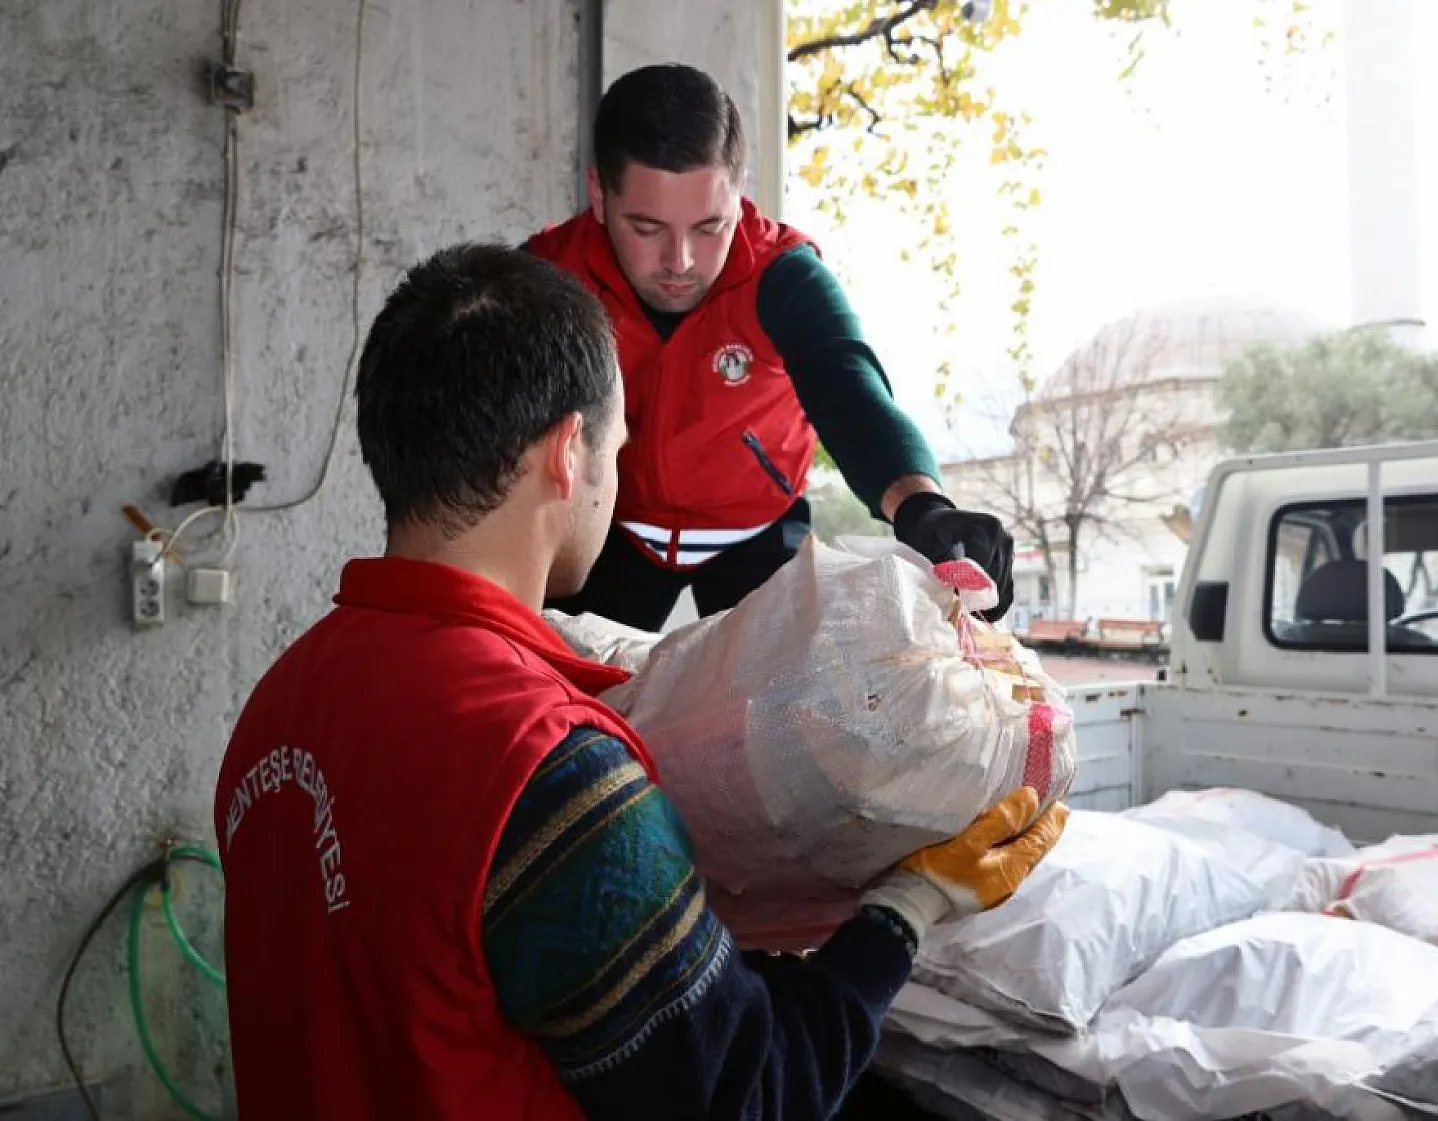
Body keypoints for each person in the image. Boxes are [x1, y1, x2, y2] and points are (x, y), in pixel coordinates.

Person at [211, 243, 1068, 1121]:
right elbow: (750, 1093)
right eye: (618, 446)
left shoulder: (279, 704)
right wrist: (906, 910)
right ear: (567, 453)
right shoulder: (546, 768)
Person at [527, 62, 1016, 631]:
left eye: (710, 227)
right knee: (563, 694)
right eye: (646, 228)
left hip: (756, 532)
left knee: (785, 707)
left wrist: (923, 508)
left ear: (739, 197)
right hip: (611, 529)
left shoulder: (784, 276)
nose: (679, 262)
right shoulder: (547, 277)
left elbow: (851, 392)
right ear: (598, 193)